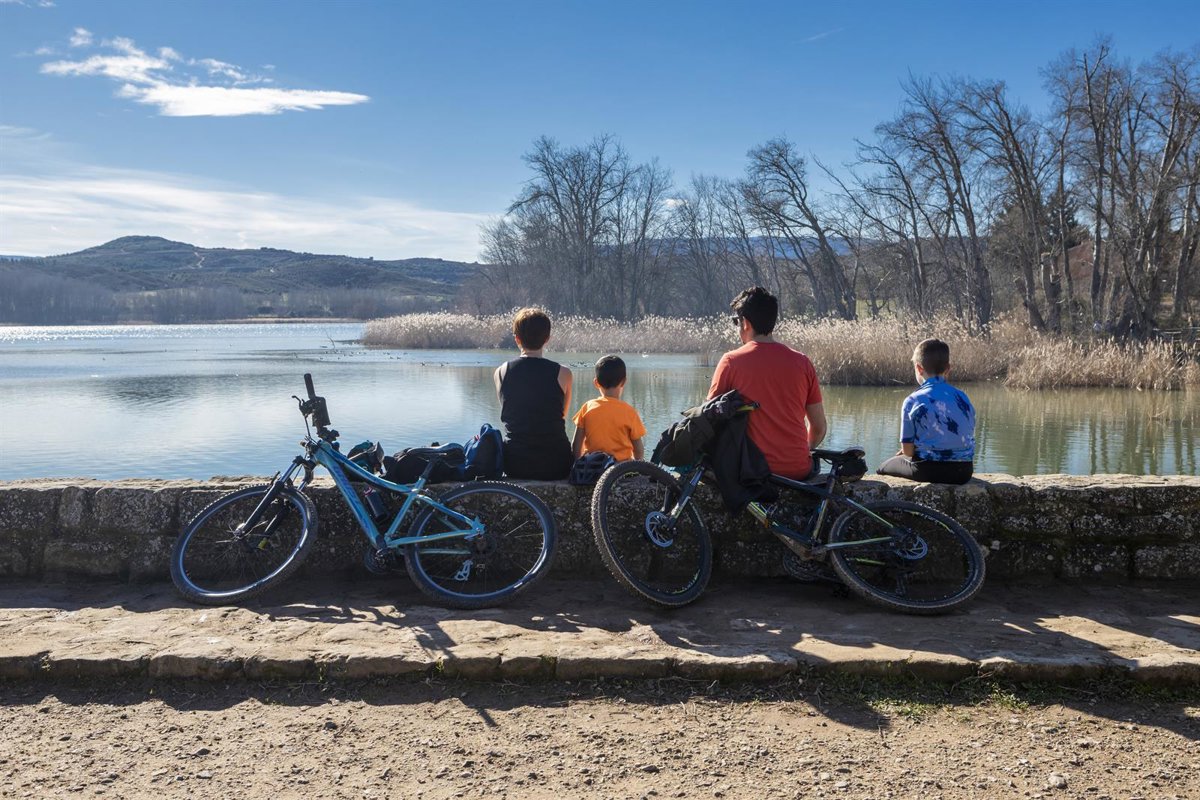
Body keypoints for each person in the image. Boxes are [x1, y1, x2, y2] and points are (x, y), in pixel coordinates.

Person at [707, 287, 826, 480]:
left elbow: (708, 420)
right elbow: (819, 428)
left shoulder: (731, 362)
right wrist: (804, 450)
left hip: (751, 471)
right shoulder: (802, 362)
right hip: (799, 469)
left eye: (736, 321)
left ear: (745, 323)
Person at [876, 338, 975, 485]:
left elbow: (908, 452)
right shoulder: (963, 398)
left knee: (883, 467)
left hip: (928, 470)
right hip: (964, 472)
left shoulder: (913, 400)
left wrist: (910, 449)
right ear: (948, 368)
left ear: (919, 368)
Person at [493, 308, 573, 480]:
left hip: (515, 463)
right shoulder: (564, 373)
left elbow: (512, 414)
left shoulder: (501, 372)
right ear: (547, 339)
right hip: (558, 463)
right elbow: (562, 415)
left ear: (517, 339)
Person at [571, 355, 647, 462]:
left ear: (596, 383)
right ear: (624, 382)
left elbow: (576, 445)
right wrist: (638, 465)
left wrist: (578, 464)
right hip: (620, 467)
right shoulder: (629, 412)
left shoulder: (587, 407)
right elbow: (638, 450)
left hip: (592, 466)